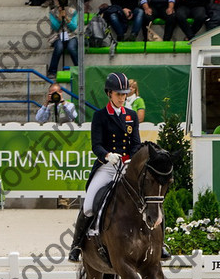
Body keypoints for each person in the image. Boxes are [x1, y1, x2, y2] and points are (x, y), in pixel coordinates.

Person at [70, 72, 169, 261]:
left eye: (124, 94)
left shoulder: (131, 116)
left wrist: (132, 160)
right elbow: (96, 145)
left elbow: (135, 144)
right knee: (90, 204)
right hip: (107, 166)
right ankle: (76, 245)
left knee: (153, 198)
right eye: (118, 94)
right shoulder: (100, 116)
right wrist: (107, 155)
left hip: (127, 166)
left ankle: (161, 243)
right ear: (109, 94)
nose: (122, 98)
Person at [46, 0, 79, 79]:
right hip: (57, 36)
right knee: (59, 47)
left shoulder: (73, 11)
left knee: (72, 48)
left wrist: (67, 18)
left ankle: (79, 69)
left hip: (71, 35)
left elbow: (73, 27)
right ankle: (52, 71)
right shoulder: (52, 12)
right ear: (56, 1)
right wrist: (60, 17)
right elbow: (55, 27)